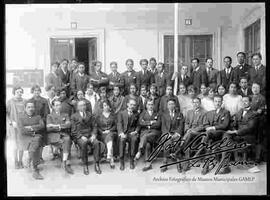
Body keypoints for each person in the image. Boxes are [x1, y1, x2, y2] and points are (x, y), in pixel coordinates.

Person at [218, 96, 258, 174]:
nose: (244, 103)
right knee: (226, 135)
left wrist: (235, 132)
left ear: (250, 102)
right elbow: (234, 124)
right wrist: (231, 129)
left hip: (248, 136)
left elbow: (250, 128)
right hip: (237, 135)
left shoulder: (254, 114)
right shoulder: (239, 112)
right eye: (242, 101)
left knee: (227, 139)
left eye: (246, 101)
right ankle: (225, 166)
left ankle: (225, 165)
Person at [194, 95, 230, 175]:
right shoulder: (210, 113)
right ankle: (206, 166)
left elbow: (225, 125)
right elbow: (206, 124)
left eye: (219, 101)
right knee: (207, 137)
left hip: (222, 133)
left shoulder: (226, 112)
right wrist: (208, 127)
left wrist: (212, 127)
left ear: (222, 102)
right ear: (213, 102)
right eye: (216, 101)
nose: (217, 103)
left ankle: (198, 153)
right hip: (212, 134)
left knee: (207, 134)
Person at [173, 97, 206, 172]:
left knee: (188, 135)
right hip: (189, 132)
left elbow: (203, 125)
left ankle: (178, 151)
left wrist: (192, 130)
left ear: (200, 104)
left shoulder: (204, 112)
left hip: (198, 132)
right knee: (187, 144)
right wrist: (188, 129)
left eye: (197, 102)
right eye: (194, 102)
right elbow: (186, 123)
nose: (195, 104)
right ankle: (184, 165)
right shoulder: (189, 112)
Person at [71, 100, 103, 175]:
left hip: (90, 135)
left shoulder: (90, 114)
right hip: (80, 136)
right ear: (78, 107)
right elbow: (73, 130)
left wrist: (94, 135)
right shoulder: (74, 116)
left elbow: (94, 126)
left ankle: (97, 164)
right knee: (84, 143)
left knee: (96, 143)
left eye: (84, 105)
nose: (83, 107)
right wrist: (81, 136)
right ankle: (85, 164)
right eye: (81, 105)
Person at [17, 100, 45, 179]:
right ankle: (34, 168)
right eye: (28, 107)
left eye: (32, 107)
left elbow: (42, 126)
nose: (31, 109)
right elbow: (21, 130)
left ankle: (33, 165)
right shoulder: (20, 117)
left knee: (36, 142)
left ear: (34, 108)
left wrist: (31, 127)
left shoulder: (38, 117)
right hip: (25, 138)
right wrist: (33, 130)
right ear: (25, 108)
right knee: (34, 146)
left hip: (36, 136)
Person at [46, 99, 74, 174]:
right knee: (66, 141)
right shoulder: (49, 116)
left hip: (64, 134)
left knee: (67, 140)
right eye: (56, 105)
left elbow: (68, 125)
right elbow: (48, 128)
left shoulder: (65, 115)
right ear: (53, 107)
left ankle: (64, 161)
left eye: (59, 105)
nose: (59, 107)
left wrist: (55, 125)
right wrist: (62, 126)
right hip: (54, 136)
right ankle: (66, 161)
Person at [135, 100, 161, 171]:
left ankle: (140, 151)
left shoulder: (157, 114)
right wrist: (151, 122)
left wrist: (147, 124)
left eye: (152, 104)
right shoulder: (143, 114)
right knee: (147, 144)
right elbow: (140, 123)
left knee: (146, 137)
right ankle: (148, 164)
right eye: (149, 104)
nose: (150, 106)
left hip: (154, 133)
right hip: (145, 132)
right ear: (146, 106)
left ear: (154, 105)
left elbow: (158, 124)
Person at [160, 98, 185, 173]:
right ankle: (165, 161)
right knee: (167, 141)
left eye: (172, 104)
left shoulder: (179, 114)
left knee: (177, 141)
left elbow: (181, 125)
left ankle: (178, 162)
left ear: (175, 105)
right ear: (167, 105)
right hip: (167, 133)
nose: (171, 105)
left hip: (176, 133)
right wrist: (168, 134)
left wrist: (177, 133)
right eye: (169, 104)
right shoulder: (164, 114)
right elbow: (163, 126)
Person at [6, 86, 27, 169]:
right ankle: (15, 161)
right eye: (18, 92)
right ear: (14, 92)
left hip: (22, 126)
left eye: (21, 92)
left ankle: (20, 161)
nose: (19, 93)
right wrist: (11, 122)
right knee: (14, 145)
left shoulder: (25, 101)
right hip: (13, 126)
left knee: (21, 144)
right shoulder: (10, 102)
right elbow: (6, 114)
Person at [117, 98, 140, 170]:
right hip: (124, 132)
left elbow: (139, 125)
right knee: (122, 140)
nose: (132, 106)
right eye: (131, 104)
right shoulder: (121, 113)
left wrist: (136, 131)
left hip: (132, 133)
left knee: (134, 139)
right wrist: (121, 133)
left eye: (134, 105)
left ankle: (131, 160)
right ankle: (121, 161)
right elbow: (119, 123)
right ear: (127, 104)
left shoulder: (137, 114)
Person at [29, 84, 50, 164]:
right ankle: (33, 158)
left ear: (40, 91)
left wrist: (42, 121)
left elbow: (47, 113)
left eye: (38, 90)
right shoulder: (29, 101)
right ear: (32, 92)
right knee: (33, 142)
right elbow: (28, 113)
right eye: (35, 91)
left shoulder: (44, 101)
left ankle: (40, 157)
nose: (36, 92)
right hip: (33, 124)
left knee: (41, 142)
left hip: (42, 123)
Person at [95, 100, 117, 169]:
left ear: (109, 106)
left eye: (107, 105)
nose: (106, 107)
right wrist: (102, 131)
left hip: (112, 132)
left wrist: (109, 130)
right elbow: (97, 127)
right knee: (108, 137)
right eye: (104, 105)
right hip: (102, 134)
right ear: (102, 107)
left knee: (109, 136)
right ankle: (111, 158)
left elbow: (115, 125)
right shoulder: (99, 116)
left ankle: (109, 156)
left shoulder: (113, 115)